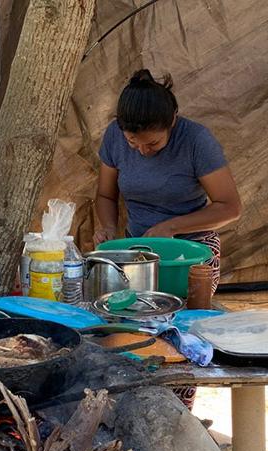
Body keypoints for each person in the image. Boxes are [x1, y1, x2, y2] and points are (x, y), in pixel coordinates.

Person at [95, 69, 242, 408]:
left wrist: (173, 226)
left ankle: (179, 417)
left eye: (153, 144)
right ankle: (138, 410)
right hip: (137, 252)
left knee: (181, 339)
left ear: (173, 121)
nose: (143, 151)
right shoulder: (114, 137)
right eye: (134, 143)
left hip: (191, 255)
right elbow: (105, 196)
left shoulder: (196, 140)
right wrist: (105, 227)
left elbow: (230, 206)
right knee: (132, 335)